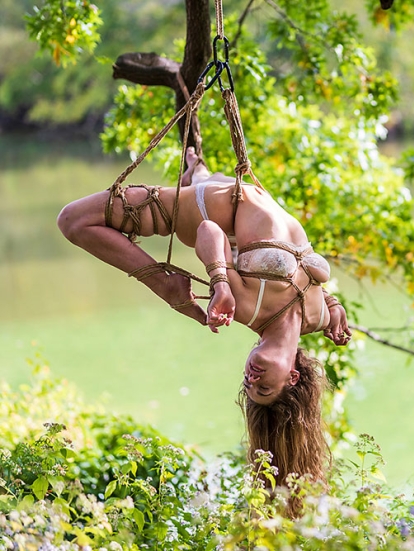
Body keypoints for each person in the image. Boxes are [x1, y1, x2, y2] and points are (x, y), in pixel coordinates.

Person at [57, 147, 351, 504]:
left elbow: (209, 231)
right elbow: (318, 286)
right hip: (227, 184)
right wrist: (337, 311)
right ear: (292, 377)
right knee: (194, 162)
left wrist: (220, 283)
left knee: (73, 221)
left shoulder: (247, 309)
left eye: (248, 385)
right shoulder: (316, 320)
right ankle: (195, 166)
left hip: (199, 205)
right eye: (263, 386)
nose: (251, 378)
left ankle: (161, 282)